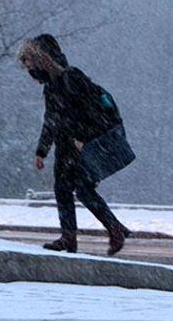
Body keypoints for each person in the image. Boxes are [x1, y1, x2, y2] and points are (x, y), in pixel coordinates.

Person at [17, 34, 130, 256]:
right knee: (63, 188)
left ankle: (112, 229)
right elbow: (51, 120)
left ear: (42, 58)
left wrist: (83, 137)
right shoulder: (51, 86)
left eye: (29, 60)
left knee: (82, 190)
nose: (27, 67)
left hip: (79, 145)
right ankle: (72, 236)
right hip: (65, 145)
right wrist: (42, 150)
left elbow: (92, 111)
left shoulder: (71, 78)